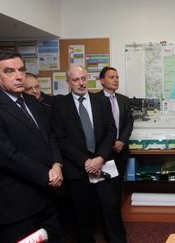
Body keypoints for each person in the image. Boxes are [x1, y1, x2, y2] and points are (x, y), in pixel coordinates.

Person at [0, 49, 64, 242]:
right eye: (9, 71)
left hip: (45, 196)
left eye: (21, 70)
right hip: (15, 204)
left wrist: (57, 164)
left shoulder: (31, 101)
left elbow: (49, 136)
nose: (18, 76)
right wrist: (45, 174)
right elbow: (4, 154)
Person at [52, 65, 121, 242]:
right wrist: (86, 162)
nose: (81, 83)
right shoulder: (60, 105)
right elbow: (61, 139)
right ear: (68, 82)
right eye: (76, 79)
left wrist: (100, 158)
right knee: (80, 213)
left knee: (111, 209)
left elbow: (111, 131)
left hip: (103, 165)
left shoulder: (101, 101)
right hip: (77, 169)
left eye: (83, 78)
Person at [98, 66, 134, 241]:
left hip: (120, 153)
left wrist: (122, 141)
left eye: (117, 77)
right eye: (111, 77)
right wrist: (109, 145)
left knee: (117, 191)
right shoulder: (95, 100)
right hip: (103, 156)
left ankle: (115, 228)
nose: (116, 80)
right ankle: (110, 231)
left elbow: (129, 124)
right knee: (106, 196)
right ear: (102, 80)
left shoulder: (124, 100)